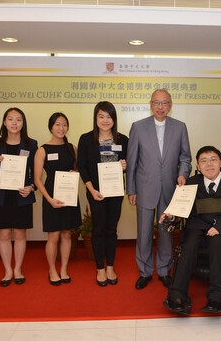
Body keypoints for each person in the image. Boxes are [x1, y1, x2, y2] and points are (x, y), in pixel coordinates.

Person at [162, 146, 221, 315]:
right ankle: (177, 295)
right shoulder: (190, 183)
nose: (209, 164)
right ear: (198, 166)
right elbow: (180, 208)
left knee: (218, 244)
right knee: (188, 246)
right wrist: (170, 216)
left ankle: (216, 296)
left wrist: (219, 228)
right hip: (198, 225)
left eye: (213, 160)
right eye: (204, 161)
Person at [126, 89, 192, 289]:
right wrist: (131, 189)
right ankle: (145, 272)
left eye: (164, 103)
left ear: (170, 106)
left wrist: (183, 173)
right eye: (157, 103)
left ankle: (164, 270)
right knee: (144, 232)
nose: (160, 107)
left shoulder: (180, 127)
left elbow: (185, 157)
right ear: (151, 104)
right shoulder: (138, 127)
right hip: (145, 188)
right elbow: (132, 160)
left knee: (166, 232)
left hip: (171, 190)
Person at [77, 101, 128, 286]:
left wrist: (125, 165)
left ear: (114, 119)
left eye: (109, 116)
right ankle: (100, 268)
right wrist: (91, 190)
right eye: (101, 116)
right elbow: (81, 167)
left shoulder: (123, 139)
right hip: (95, 192)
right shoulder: (86, 139)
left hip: (115, 192)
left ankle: (110, 266)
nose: (105, 120)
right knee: (98, 230)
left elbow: (128, 163)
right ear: (95, 118)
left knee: (111, 230)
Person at [0, 108, 38, 287]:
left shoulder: (31, 145)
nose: (14, 123)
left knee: (20, 234)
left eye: (18, 120)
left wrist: (31, 187)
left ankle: (18, 269)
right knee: (4, 234)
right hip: (1, 196)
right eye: (11, 119)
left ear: (23, 123)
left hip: (21, 195)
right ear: (4, 122)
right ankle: (8, 270)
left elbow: (36, 173)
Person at [34, 112, 81, 286]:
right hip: (51, 198)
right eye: (57, 124)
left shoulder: (72, 148)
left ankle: (64, 269)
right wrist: (49, 199)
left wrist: (76, 172)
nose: (61, 128)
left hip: (69, 196)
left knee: (67, 234)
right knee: (53, 236)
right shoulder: (42, 150)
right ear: (51, 127)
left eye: (64, 125)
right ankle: (52, 270)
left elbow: (78, 170)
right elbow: (37, 179)